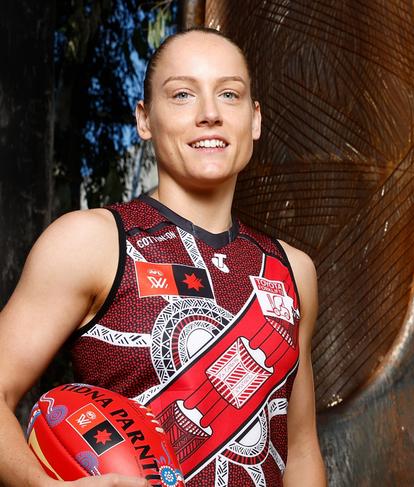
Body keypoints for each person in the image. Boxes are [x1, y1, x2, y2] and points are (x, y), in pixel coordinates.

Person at [0, 28, 326, 487]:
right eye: (182, 95)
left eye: (229, 94)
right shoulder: (93, 241)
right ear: (144, 118)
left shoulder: (293, 270)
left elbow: (300, 451)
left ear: (254, 120)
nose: (209, 114)